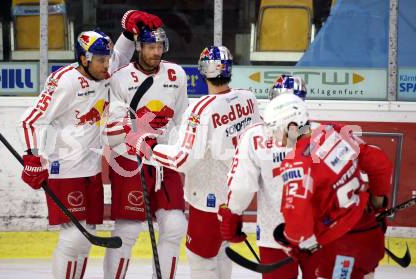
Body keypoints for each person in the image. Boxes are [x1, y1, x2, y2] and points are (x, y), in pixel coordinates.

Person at [20, 10, 163, 279]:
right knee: (74, 238)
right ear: (84, 59)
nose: (107, 64)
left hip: (90, 169)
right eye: (100, 59)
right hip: (65, 170)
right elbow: (30, 120)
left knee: (87, 239)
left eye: (107, 58)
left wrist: (127, 31)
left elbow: (121, 53)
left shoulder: (104, 71)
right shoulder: (65, 81)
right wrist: (32, 157)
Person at [151, 45, 261, 279]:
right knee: (222, 251)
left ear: (202, 71)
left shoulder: (202, 108)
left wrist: (148, 148)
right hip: (235, 197)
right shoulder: (248, 98)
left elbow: (182, 159)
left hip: (207, 200)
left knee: (201, 259)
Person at [264, 94, 392, 279]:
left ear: (290, 127)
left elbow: (298, 218)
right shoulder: (334, 131)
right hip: (370, 235)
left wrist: (292, 242)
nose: (276, 139)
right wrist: (378, 205)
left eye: (275, 130)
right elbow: (380, 163)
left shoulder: (297, 163)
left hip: (341, 248)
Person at [103, 25, 189, 279]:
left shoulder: (176, 74)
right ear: (139, 47)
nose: (156, 52)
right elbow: (114, 126)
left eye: (160, 47)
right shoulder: (119, 78)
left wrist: (182, 146)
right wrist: (138, 139)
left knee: (174, 226)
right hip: (131, 160)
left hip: (164, 159)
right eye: (151, 47)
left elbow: (183, 116)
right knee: (128, 229)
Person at [217, 75, 309, 279]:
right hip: (318, 232)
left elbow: (241, 185)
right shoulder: (321, 132)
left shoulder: (255, 135)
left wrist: (233, 214)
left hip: (274, 233)